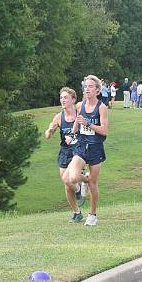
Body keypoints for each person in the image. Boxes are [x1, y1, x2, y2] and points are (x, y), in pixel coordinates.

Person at [64, 75, 108, 226]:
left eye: (90, 86)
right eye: (85, 86)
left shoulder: (101, 107)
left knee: (94, 184)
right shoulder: (80, 105)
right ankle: (85, 180)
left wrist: (88, 124)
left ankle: (92, 214)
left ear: (97, 90)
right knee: (73, 177)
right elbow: (78, 120)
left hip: (95, 148)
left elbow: (104, 131)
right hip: (82, 146)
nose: (87, 89)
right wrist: (72, 133)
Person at [45, 87, 86, 222]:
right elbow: (47, 135)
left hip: (78, 149)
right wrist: (50, 130)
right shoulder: (58, 117)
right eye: (61, 98)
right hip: (64, 151)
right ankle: (77, 212)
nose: (63, 100)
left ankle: (80, 186)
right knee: (67, 184)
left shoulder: (80, 112)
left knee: (69, 179)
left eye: (66, 98)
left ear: (73, 100)